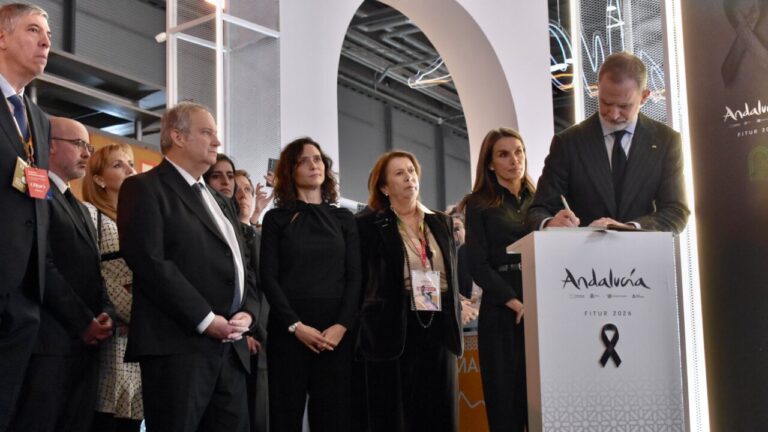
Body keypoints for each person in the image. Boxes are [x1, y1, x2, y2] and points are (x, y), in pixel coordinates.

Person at [117, 102, 259, 432]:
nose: (217, 143)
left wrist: (248, 313)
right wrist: (206, 320)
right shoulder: (144, 187)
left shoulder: (220, 199)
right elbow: (149, 262)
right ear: (178, 136)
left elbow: (244, 265)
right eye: (207, 133)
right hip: (178, 348)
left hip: (231, 348)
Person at [9, 117, 114, 432]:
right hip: (50, 341)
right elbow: (42, 263)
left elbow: (96, 269)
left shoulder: (81, 208)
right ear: (50, 145)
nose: (86, 153)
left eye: (88, 146)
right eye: (78, 144)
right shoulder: (35, 191)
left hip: (85, 345)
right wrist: (83, 321)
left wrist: (105, 313)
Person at [260, 137, 361, 432]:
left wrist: (342, 325)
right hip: (289, 332)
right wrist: (295, 325)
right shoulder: (276, 219)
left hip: (335, 335)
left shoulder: (344, 217)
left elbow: (355, 276)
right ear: (290, 170)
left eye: (317, 159)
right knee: (285, 416)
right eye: (304, 160)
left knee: (334, 417)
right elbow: (269, 277)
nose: (313, 165)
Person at [357, 150, 463, 432]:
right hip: (393, 322)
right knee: (397, 414)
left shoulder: (441, 222)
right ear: (383, 186)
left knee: (439, 411)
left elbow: (451, 275)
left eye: (412, 171)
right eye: (400, 173)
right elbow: (362, 280)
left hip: (438, 320)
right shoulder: (368, 225)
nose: (409, 177)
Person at [526, 51, 689, 233]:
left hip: (643, 257)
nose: (614, 114)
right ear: (598, 89)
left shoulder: (666, 141)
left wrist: (629, 229)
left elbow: (676, 212)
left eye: (624, 106)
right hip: (583, 258)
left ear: (644, 96)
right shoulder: (568, 143)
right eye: (606, 103)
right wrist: (550, 223)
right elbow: (537, 211)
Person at [459, 128, 534, 432]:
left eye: (519, 151)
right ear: (490, 164)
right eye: (503, 154)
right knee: (504, 401)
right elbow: (478, 264)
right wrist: (513, 301)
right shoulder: (478, 204)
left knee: (540, 397)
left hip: (539, 303)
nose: (514, 160)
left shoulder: (541, 200)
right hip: (501, 307)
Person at [0, 4, 52, 428]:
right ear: (1, 36)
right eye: (34, 30)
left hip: (25, 292)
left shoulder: (37, 117)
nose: (46, 42)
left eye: (48, 33)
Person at [82, 143, 144, 432]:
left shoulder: (136, 217)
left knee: (132, 419)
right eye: (118, 165)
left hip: (140, 337)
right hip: (115, 336)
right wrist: (137, 315)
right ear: (98, 178)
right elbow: (103, 278)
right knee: (109, 419)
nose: (130, 169)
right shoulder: (95, 218)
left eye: (130, 163)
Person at [203, 156, 266, 432]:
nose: (232, 187)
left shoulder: (252, 233)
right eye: (218, 176)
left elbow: (254, 281)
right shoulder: (211, 223)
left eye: (246, 189)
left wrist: (249, 318)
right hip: (210, 335)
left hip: (247, 333)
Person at [234, 169, 270, 432]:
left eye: (247, 189)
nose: (242, 195)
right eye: (237, 189)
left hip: (263, 337)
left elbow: (263, 287)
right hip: (237, 337)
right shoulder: (230, 234)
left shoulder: (257, 236)